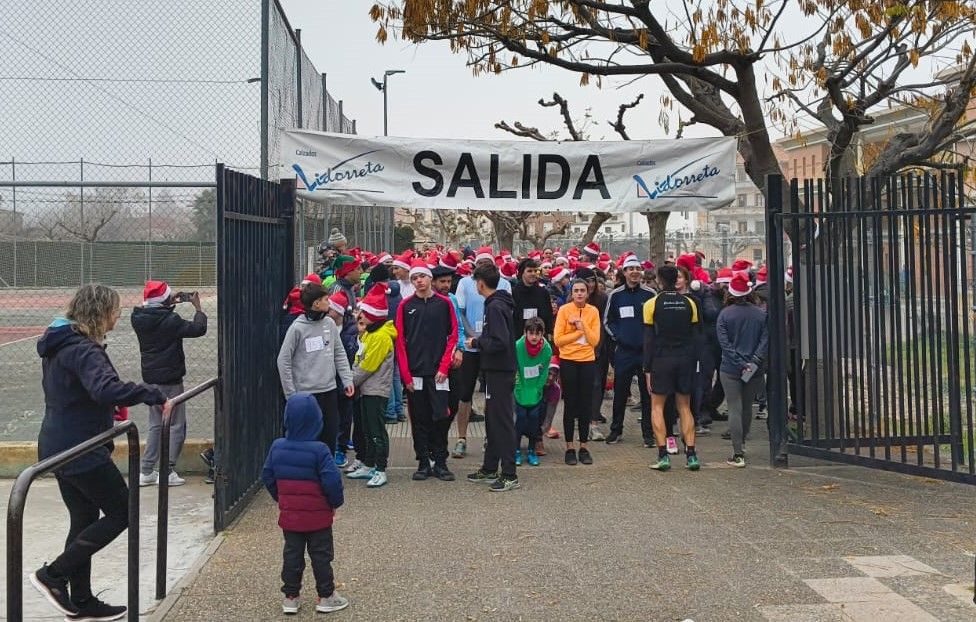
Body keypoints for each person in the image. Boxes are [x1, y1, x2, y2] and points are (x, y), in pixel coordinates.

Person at [32, 283, 170, 620]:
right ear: (100, 313)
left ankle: (80, 599)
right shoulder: (84, 350)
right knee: (124, 511)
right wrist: (150, 393)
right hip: (81, 449)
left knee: (84, 518)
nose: (118, 317)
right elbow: (105, 388)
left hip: (58, 445)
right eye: (115, 311)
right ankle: (53, 575)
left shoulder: (60, 343)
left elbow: (75, 391)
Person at [261, 393, 348, 614]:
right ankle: (326, 595)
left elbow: (268, 476)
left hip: (290, 516)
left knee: (292, 555)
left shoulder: (277, 446)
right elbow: (332, 481)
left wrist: (281, 498)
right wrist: (335, 504)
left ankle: (291, 596)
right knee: (321, 556)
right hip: (318, 517)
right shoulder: (320, 450)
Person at [131, 280, 208, 488]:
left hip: (151, 379)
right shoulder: (170, 320)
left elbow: (157, 313)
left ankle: (146, 470)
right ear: (164, 301)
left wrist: (168, 302)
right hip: (171, 380)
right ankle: (167, 469)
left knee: (156, 424)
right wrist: (198, 308)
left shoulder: (138, 318)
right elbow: (198, 329)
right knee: (176, 425)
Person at [395, 259, 459, 481]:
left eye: (422, 276)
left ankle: (440, 460)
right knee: (419, 417)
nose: (419, 281)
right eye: (414, 278)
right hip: (415, 373)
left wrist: (444, 366)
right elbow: (400, 343)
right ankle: (423, 461)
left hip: (439, 373)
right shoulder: (405, 306)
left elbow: (453, 336)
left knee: (441, 416)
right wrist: (406, 375)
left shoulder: (444, 304)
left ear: (430, 278)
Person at [277, 283, 354, 457]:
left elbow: (339, 352)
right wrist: (291, 394)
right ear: (316, 303)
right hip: (305, 394)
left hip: (328, 390)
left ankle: (325, 469)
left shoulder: (329, 324)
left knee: (329, 434)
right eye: (326, 300)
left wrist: (347, 379)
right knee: (307, 436)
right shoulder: (297, 328)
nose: (330, 303)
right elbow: (283, 360)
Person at [464, 263, 519, 491]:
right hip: (494, 370)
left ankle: (509, 474)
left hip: (500, 371)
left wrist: (477, 342)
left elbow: (499, 341)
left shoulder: (496, 306)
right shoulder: (496, 304)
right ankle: (490, 466)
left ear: (480, 283)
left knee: (502, 421)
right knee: (492, 420)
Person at [451, 247, 510, 458]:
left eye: (487, 262)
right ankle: (461, 438)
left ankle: (489, 438)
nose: (483, 266)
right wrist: (473, 336)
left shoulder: (503, 284)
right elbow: (461, 312)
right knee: (465, 393)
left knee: (490, 395)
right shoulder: (466, 283)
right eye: (480, 262)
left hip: (490, 347)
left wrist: (484, 338)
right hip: (470, 345)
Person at [643, 265, 701, 472]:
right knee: (684, 406)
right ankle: (692, 455)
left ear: (659, 280)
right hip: (685, 358)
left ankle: (663, 456)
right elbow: (696, 337)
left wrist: (647, 368)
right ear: (676, 279)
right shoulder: (689, 303)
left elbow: (648, 339)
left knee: (657, 406)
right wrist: (695, 362)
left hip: (661, 359)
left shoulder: (651, 304)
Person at [345, 284, 398, 488]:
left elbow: (367, 366)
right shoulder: (371, 334)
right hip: (367, 390)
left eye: (364, 313)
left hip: (376, 390)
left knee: (376, 431)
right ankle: (368, 464)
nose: (360, 316)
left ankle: (381, 468)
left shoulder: (380, 337)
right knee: (367, 429)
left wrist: (349, 381)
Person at [717, 273, 769, 467]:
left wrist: (739, 362)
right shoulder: (760, 314)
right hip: (754, 368)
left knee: (734, 408)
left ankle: (737, 451)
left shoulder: (725, 314)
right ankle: (744, 442)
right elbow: (765, 339)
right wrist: (754, 361)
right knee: (747, 407)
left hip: (730, 368)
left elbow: (724, 343)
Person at [603, 256, 655, 446]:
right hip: (624, 352)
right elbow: (608, 321)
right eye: (630, 268)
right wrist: (619, 337)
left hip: (645, 353)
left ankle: (648, 433)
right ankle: (616, 430)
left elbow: (656, 321)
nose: (634, 271)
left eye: (637, 268)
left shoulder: (650, 294)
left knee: (647, 394)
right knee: (620, 393)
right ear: (623, 272)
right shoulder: (615, 295)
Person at [553, 279, 601, 466]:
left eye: (583, 290)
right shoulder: (565, 310)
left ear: (587, 293)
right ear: (571, 293)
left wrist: (582, 325)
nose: (579, 293)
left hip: (587, 361)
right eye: (576, 291)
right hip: (568, 361)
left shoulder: (593, 311)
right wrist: (578, 333)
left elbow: (595, 340)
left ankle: (584, 446)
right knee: (570, 404)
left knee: (585, 405)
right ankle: (569, 447)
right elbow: (558, 340)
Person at [329, 256, 362, 468]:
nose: (360, 271)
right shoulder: (336, 291)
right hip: (330, 374)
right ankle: (335, 444)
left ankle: (340, 444)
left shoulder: (350, 289)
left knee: (344, 410)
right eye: (357, 268)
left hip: (345, 371)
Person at [512, 317, 552, 467]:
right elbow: (515, 370)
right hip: (521, 389)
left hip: (535, 390)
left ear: (542, 334)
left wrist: (538, 388)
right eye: (531, 333)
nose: (534, 337)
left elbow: (545, 372)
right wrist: (519, 388)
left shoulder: (547, 349)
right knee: (521, 419)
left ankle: (531, 450)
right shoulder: (518, 346)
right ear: (525, 333)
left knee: (534, 420)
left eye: (537, 333)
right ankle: (515, 450)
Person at [431, 263, 466, 420]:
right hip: (432, 358)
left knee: (454, 400)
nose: (446, 285)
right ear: (433, 282)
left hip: (452, 356)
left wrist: (460, 349)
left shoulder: (452, 299)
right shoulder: (427, 300)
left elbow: (459, 327)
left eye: (448, 282)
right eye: (442, 282)